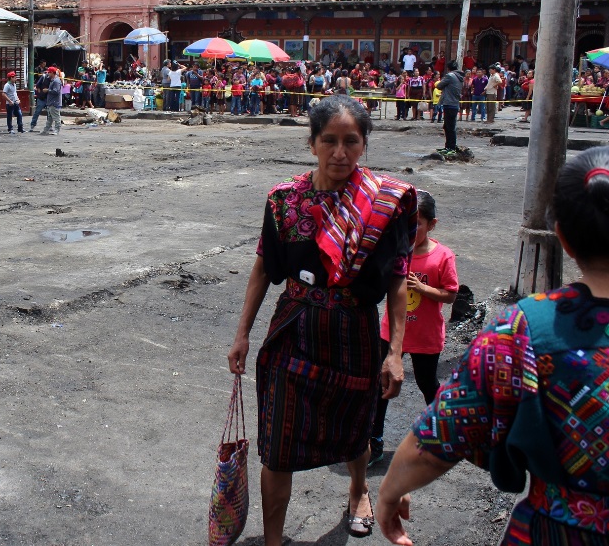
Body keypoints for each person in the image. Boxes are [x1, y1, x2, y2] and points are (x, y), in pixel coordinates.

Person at [377, 146, 609, 546]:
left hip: (560, 531)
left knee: (430, 385)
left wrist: (388, 494)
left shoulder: (523, 330)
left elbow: (439, 438)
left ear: (563, 238)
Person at [227, 94, 416, 543]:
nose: (340, 153)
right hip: (294, 327)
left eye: (351, 141)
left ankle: (358, 490)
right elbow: (262, 268)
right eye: (328, 140)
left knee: (354, 428)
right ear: (311, 143)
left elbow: (397, 281)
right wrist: (242, 334)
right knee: (276, 442)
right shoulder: (284, 201)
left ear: (364, 144)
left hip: (355, 333)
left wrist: (395, 353)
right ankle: (273, 539)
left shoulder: (386, 205)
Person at [368, 191, 458, 465]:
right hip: (391, 330)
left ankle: (442, 434)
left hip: (425, 335)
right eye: (407, 222)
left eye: (417, 223)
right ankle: (375, 440)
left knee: (426, 383)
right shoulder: (396, 252)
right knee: (381, 384)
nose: (411, 228)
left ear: (431, 224)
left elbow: (451, 294)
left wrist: (423, 288)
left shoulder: (442, 256)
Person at [436, 61, 464, 155]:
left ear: (448, 68)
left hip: (449, 103)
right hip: (454, 103)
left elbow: (439, 86)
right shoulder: (460, 77)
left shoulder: (450, 76)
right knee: (448, 126)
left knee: (450, 127)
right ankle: (448, 146)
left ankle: (451, 147)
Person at [40, 66, 62, 136]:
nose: (48, 74)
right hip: (51, 102)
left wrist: (47, 90)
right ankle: (46, 130)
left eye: (49, 72)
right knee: (50, 118)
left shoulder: (56, 81)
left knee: (56, 117)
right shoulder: (53, 80)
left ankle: (57, 130)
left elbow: (56, 91)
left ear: (52, 73)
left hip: (54, 102)